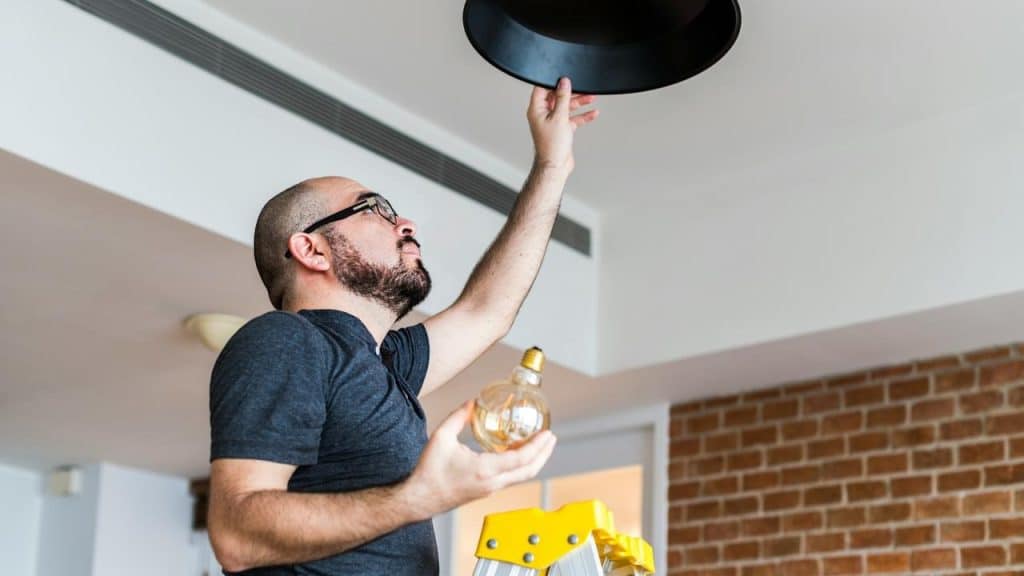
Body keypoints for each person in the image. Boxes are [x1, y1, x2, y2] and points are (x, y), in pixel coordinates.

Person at [207, 77, 599, 575]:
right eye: (375, 210)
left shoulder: (383, 365)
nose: (406, 224)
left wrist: (552, 166)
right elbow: (236, 534)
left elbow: (487, 310)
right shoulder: (287, 342)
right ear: (311, 249)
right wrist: (419, 497)